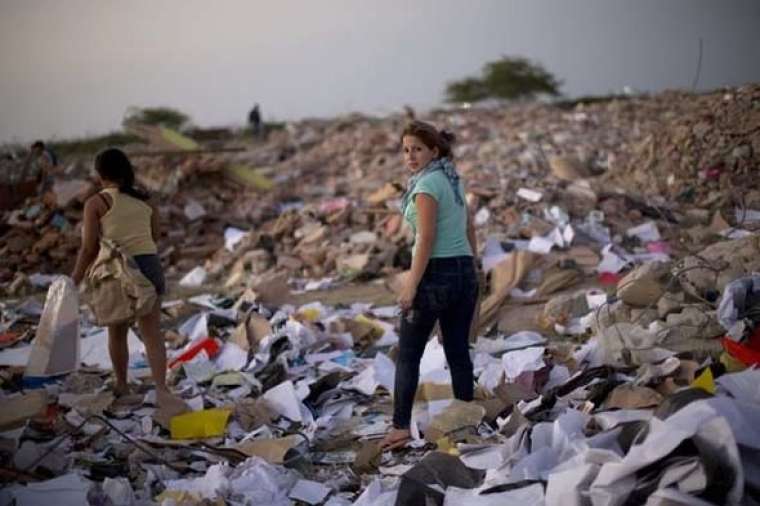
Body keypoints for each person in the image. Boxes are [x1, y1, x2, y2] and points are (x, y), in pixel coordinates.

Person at [381, 121, 479, 449]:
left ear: (433, 151)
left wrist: (410, 286)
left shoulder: (426, 187)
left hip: (436, 275)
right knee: (457, 351)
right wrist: (474, 267)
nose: (410, 156)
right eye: (406, 149)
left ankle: (399, 428)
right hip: (463, 273)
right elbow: (469, 228)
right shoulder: (452, 180)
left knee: (408, 354)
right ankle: (468, 419)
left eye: (417, 149)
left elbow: (426, 237)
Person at [71, 148, 174, 405]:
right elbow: (155, 236)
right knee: (152, 333)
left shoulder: (96, 203)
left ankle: (122, 385)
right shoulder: (145, 200)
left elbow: (89, 248)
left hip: (117, 268)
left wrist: (74, 278)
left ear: (100, 174)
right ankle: (161, 389)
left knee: (117, 332)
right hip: (149, 266)